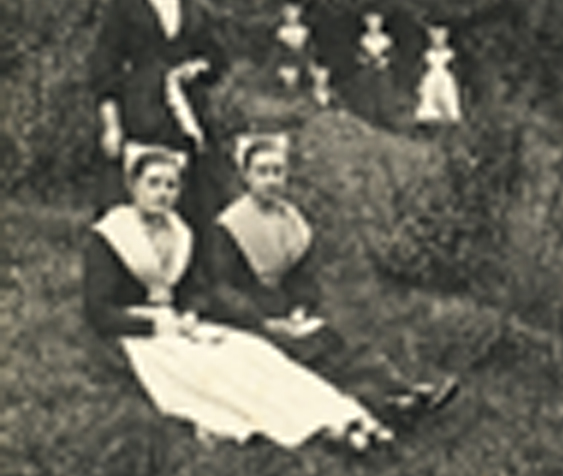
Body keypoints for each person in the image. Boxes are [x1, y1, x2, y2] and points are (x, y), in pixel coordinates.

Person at [84, 145, 388, 451]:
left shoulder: (180, 234)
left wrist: (189, 313)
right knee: (214, 373)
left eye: (171, 185)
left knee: (256, 354)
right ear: (132, 186)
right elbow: (98, 311)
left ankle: (345, 414)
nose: (162, 193)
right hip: (134, 334)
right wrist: (156, 326)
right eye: (153, 183)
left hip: (179, 326)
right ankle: (314, 428)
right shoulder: (110, 236)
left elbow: (192, 291)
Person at [208, 134, 459, 440]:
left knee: (338, 343)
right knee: (315, 359)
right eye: (262, 172)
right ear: (246, 177)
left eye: (278, 172)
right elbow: (221, 288)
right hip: (250, 318)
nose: (271, 180)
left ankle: (402, 389)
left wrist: (301, 307)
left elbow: (303, 276)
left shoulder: (290, 219)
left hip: (287, 310)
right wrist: (261, 320)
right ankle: (383, 405)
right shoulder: (230, 225)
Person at [89, 0, 228, 258]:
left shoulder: (194, 7)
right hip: (139, 112)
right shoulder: (124, 3)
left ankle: (184, 272)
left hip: (185, 113)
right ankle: (130, 272)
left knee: (190, 195)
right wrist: (111, 125)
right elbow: (103, 66)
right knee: (132, 195)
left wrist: (198, 67)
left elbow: (218, 58)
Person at [352, 12, 397, 129]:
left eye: (376, 23)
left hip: (382, 71)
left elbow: (393, 56)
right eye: (371, 23)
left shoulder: (386, 40)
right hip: (367, 71)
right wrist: (363, 60)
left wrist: (386, 60)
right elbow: (357, 56)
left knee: (384, 87)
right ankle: (367, 116)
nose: (373, 26)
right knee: (364, 85)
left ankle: (385, 117)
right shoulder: (363, 40)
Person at [414, 25, 462, 125]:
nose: (438, 41)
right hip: (431, 78)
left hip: (445, 79)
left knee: (447, 93)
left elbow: (455, 69)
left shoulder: (450, 54)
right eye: (435, 39)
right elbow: (421, 69)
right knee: (428, 94)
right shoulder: (427, 54)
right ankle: (429, 115)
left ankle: (448, 114)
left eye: (440, 39)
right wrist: (420, 82)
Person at [270, 1, 314, 91]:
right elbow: (277, 53)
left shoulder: (305, 30)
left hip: (301, 64)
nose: (291, 15)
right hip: (285, 63)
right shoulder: (280, 30)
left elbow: (307, 51)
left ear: (300, 13)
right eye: (287, 11)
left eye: (294, 11)